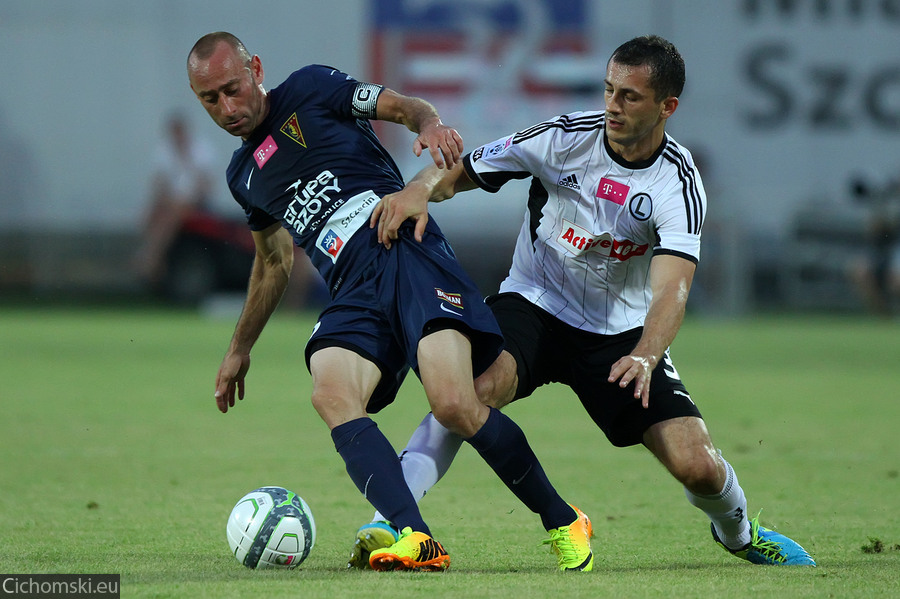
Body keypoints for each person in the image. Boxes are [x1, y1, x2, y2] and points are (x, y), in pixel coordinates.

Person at [361, 34, 816, 568]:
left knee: (698, 466)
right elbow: (460, 167)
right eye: (608, 89)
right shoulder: (563, 139)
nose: (612, 106)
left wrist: (647, 353)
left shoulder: (677, 182)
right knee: (467, 394)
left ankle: (738, 534)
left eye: (630, 96)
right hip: (534, 303)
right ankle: (391, 520)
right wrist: (420, 186)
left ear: (667, 107)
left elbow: (673, 289)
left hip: (620, 335)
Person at [186, 32, 593, 572]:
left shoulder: (311, 87)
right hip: (351, 288)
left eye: (232, 89)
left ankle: (565, 520)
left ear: (255, 68)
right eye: (210, 100)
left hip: (403, 248)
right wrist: (240, 347)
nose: (227, 108)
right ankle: (417, 538)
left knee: (454, 405)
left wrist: (428, 125)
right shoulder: (244, 176)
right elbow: (275, 261)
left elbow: (403, 106)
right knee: (331, 393)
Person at [135, 113, 217, 285]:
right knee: (156, 215)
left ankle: (152, 257)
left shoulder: (200, 149)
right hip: (172, 202)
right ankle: (155, 257)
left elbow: (205, 185)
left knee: (171, 215)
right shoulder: (165, 151)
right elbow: (160, 184)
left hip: (195, 202)